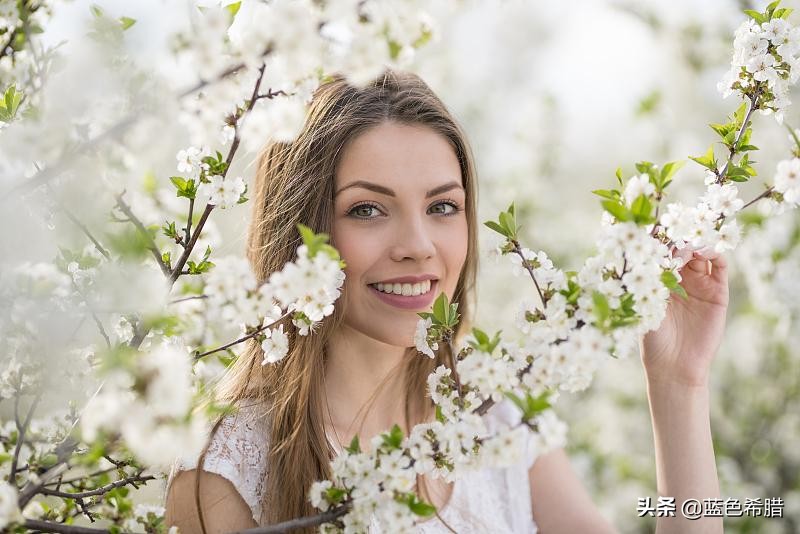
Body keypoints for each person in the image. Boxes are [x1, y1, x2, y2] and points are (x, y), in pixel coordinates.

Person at [165, 69, 727, 534]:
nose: (417, 246)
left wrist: (680, 382)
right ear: (300, 234)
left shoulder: (495, 419)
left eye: (442, 207)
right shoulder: (230, 467)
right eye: (367, 209)